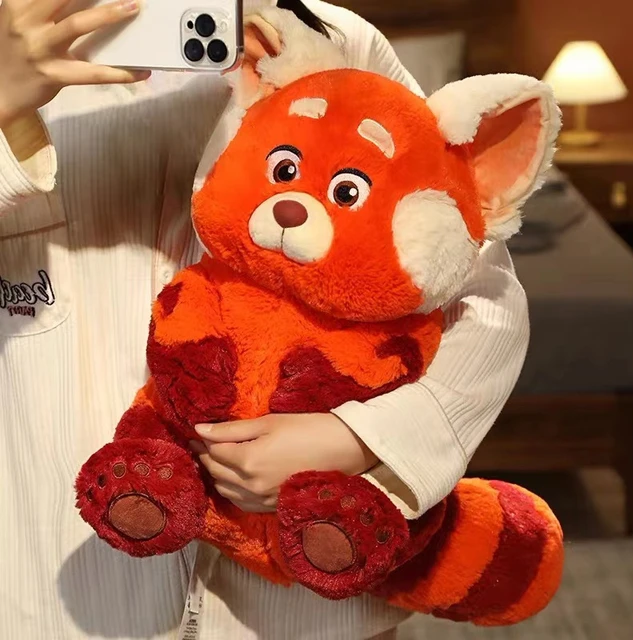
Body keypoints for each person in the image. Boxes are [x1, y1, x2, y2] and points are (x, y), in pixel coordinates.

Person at [0, 0, 530, 638]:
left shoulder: (324, 39)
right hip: (61, 583)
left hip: (304, 601)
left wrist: (361, 438)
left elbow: (476, 286)